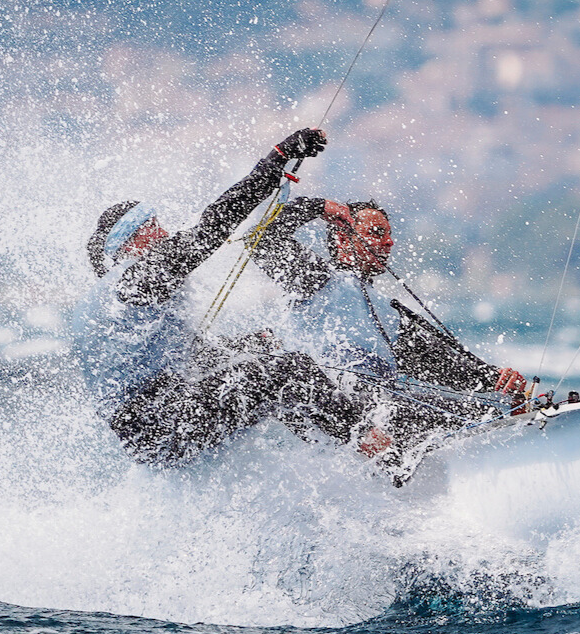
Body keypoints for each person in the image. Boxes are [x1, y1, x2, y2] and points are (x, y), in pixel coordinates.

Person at [72, 128, 386, 467]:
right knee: (290, 372)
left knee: (275, 379)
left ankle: (337, 460)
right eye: (152, 226)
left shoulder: (116, 300)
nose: (164, 233)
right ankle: (384, 455)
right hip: (163, 422)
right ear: (130, 242)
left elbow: (185, 358)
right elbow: (214, 224)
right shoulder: (137, 281)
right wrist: (276, 160)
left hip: (150, 435)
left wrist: (246, 345)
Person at [250, 194, 527, 461]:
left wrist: (496, 379)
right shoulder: (315, 280)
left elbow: (444, 365)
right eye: (376, 233)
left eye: (389, 234)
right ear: (343, 239)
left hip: (382, 407)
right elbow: (261, 238)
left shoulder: (388, 313)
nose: (389, 242)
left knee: (487, 410)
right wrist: (318, 207)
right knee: (453, 413)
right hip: (333, 406)